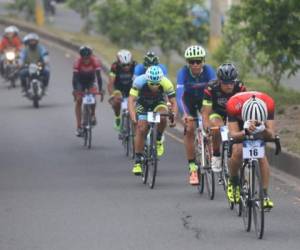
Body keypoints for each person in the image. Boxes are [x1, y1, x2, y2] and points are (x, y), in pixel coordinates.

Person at [226, 91, 275, 209]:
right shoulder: (233, 104)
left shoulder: (268, 104)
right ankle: (233, 182)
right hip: (240, 122)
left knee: (262, 156)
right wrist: (245, 132)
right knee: (237, 150)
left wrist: (263, 129)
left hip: (260, 121)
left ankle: (264, 194)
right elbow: (233, 134)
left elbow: (271, 135)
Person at [176, 45, 216, 185]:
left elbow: (215, 92)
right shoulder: (183, 73)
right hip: (188, 102)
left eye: (198, 61)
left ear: (203, 61)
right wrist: (185, 114)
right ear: (187, 63)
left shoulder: (210, 71)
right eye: (191, 62)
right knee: (190, 129)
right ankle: (192, 167)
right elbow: (179, 96)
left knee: (210, 124)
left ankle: (211, 149)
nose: (195, 65)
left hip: (205, 101)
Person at [128, 66, 177, 175]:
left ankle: (158, 139)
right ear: (147, 79)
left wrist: (173, 118)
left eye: (157, 84)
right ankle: (138, 161)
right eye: (152, 84)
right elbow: (131, 100)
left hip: (158, 103)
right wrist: (133, 117)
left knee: (163, 116)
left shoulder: (166, 83)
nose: (155, 86)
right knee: (141, 128)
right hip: (143, 104)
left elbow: (173, 102)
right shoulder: (139, 81)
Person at [202, 63, 246, 172]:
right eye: (225, 83)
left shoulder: (240, 87)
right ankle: (216, 155)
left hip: (234, 114)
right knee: (217, 127)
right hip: (217, 113)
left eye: (231, 82)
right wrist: (207, 127)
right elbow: (206, 112)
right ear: (219, 81)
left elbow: (246, 108)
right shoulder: (211, 88)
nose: (229, 86)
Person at [72, 45, 104, 136]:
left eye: (88, 58)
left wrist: (100, 89)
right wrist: (75, 90)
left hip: (90, 82)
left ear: (91, 56)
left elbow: (99, 77)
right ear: (81, 57)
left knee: (93, 96)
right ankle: (78, 126)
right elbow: (74, 79)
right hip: (80, 82)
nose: (86, 60)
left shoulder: (95, 61)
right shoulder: (77, 62)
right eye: (84, 58)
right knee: (79, 100)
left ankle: (93, 115)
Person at [108, 49, 137, 130]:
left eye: (128, 64)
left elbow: (139, 81)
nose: (127, 67)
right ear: (119, 63)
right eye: (124, 65)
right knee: (116, 102)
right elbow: (110, 84)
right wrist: (112, 95)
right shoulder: (114, 66)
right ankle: (117, 118)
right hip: (119, 89)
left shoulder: (135, 65)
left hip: (131, 89)